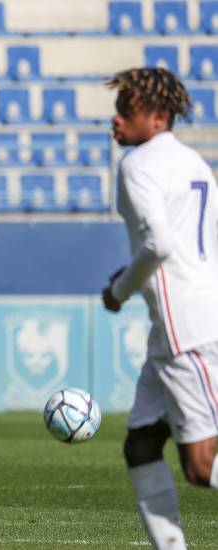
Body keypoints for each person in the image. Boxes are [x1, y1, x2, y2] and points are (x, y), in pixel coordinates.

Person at [102, 67, 218, 550]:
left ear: (156, 116)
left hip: (185, 328)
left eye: (125, 109)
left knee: (202, 465)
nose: (115, 119)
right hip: (178, 326)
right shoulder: (194, 162)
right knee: (142, 444)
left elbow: (161, 244)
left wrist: (119, 290)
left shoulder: (139, 165)